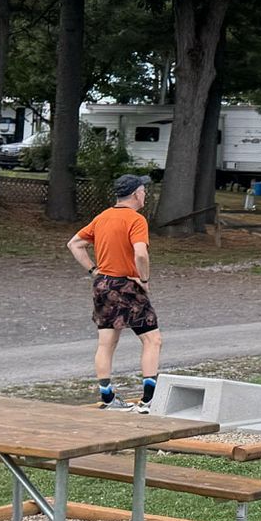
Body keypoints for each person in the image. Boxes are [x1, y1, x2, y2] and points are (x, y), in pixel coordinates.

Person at [67, 174, 162, 411]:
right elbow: (140, 253)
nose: (145, 194)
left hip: (103, 285)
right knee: (152, 339)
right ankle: (148, 400)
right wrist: (144, 279)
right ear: (135, 194)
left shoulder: (102, 218)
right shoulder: (136, 220)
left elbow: (74, 244)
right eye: (143, 190)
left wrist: (93, 270)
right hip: (127, 286)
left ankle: (108, 398)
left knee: (106, 343)